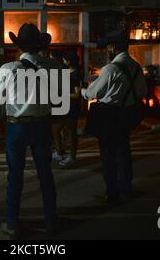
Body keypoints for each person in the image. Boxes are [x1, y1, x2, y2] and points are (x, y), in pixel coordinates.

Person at [0, 23, 59, 239]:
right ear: (40, 46)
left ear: (19, 46)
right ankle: (51, 222)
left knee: (15, 176)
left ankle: (12, 224)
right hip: (41, 125)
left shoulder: (8, 69)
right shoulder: (54, 67)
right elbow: (59, 98)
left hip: (16, 127)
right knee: (45, 174)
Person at [81, 29, 147, 204]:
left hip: (108, 116)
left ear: (112, 47)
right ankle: (126, 189)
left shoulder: (110, 69)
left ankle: (112, 193)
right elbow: (142, 91)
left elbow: (93, 93)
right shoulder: (136, 66)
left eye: (108, 47)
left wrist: (82, 91)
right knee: (124, 152)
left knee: (108, 156)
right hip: (126, 115)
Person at [58, 51, 82, 168]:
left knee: (72, 132)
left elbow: (77, 94)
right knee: (63, 129)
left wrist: (64, 95)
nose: (63, 61)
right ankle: (63, 152)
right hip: (66, 105)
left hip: (72, 106)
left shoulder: (76, 74)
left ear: (69, 61)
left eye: (64, 59)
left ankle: (72, 156)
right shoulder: (66, 72)